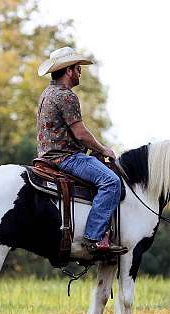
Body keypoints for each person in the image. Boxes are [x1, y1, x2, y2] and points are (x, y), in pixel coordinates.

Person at [36, 47, 127, 255]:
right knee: (111, 182)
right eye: (78, 68)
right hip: (66, 158)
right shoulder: (66, 96)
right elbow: (81, 134)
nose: (80, 72)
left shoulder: (48, 93)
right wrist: (104, 149)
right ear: (68, 70)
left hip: (47, 156)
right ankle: (93, 238)